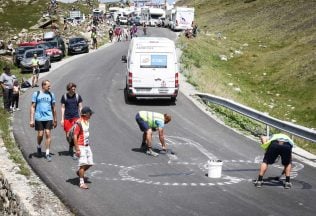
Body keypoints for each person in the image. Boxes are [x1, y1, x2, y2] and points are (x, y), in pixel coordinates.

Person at [30, 80, 57, 162]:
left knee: (48, 133)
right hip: (39, 118)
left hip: (49, 117)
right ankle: (38, 146)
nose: (50, 87)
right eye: (48, 86)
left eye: (49, 86)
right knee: (40, 135)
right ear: (43, 86)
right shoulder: (36, 94)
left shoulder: (51, 95)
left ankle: (47, 153)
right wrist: (31, 119)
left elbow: (54, 108)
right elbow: (32, 107)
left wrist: (55, 119)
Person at [73, 106, 94, 189]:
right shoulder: (79, 123)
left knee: (90, 163)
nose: (91, 115)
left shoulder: (87, 121)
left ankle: (79, 173)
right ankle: (81, 183)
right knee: (83, 164)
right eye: (90, 114)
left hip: (87, 146)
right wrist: (77, 149)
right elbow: (75, 136)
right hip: (80, 146)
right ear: (85, 114)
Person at [60, 82, 83, 157]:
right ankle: (71, 145)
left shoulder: (77, 96)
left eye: (74, 88)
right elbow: (63, 108)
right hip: (67, 118)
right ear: (69, 89)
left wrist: (81, 117)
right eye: (72, 89)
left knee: (74, 135)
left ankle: (75, 152)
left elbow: (80, 107)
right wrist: (62, 119)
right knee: (67, 135)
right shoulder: (64, 97)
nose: (74, 90)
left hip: (75, 118)